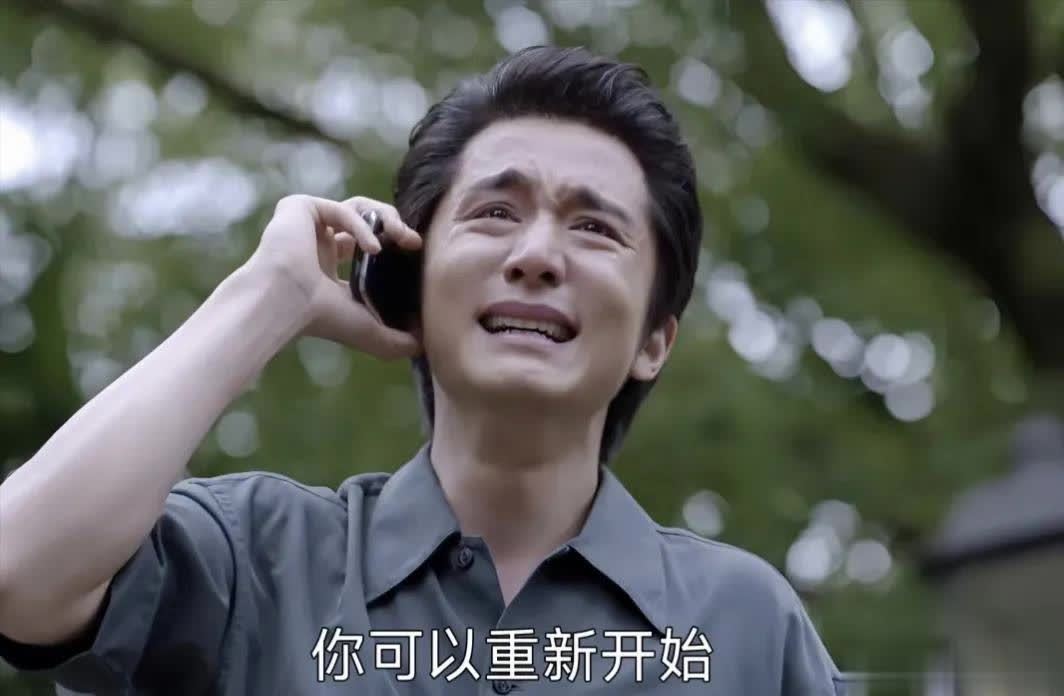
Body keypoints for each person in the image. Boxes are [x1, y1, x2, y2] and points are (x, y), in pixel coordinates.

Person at [0, 46, 845, 694]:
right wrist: (268, 296)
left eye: (594, 228)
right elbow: (17, 572)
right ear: (409, 285)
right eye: (495, 212)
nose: (537, 254)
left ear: (655, 339)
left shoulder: (746, 625)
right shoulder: (252, 558)